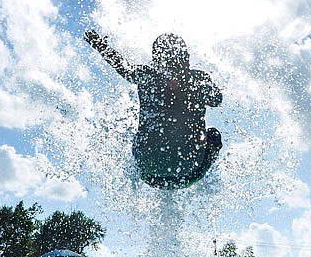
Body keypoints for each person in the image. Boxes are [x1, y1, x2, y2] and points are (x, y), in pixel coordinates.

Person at [85, 30, 223, 189]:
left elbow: (123, 67)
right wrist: (200, 88)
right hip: (190, 172)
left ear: (156, 59)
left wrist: (101, 46)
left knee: (134, 135)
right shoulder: (197, 79)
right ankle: (207, 187)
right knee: (213, 135)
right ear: (186, 58)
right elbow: (216, 100)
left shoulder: (146, 75)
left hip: (149, 173)